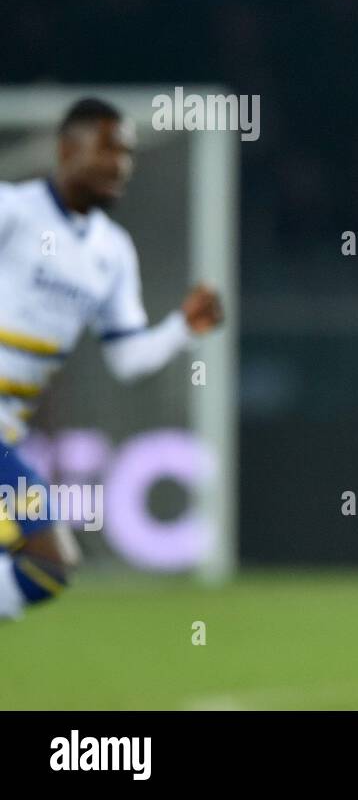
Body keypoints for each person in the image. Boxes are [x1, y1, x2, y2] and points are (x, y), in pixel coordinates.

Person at [0, 98, 223, 621]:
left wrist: (181, 330)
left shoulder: (112, 251)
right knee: (46, 557)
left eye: (127, 152)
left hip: (7, 433)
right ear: (66, 149)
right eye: (109, 147)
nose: (122, 163)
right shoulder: (12, 211)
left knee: (47, 566)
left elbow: (126, 358)